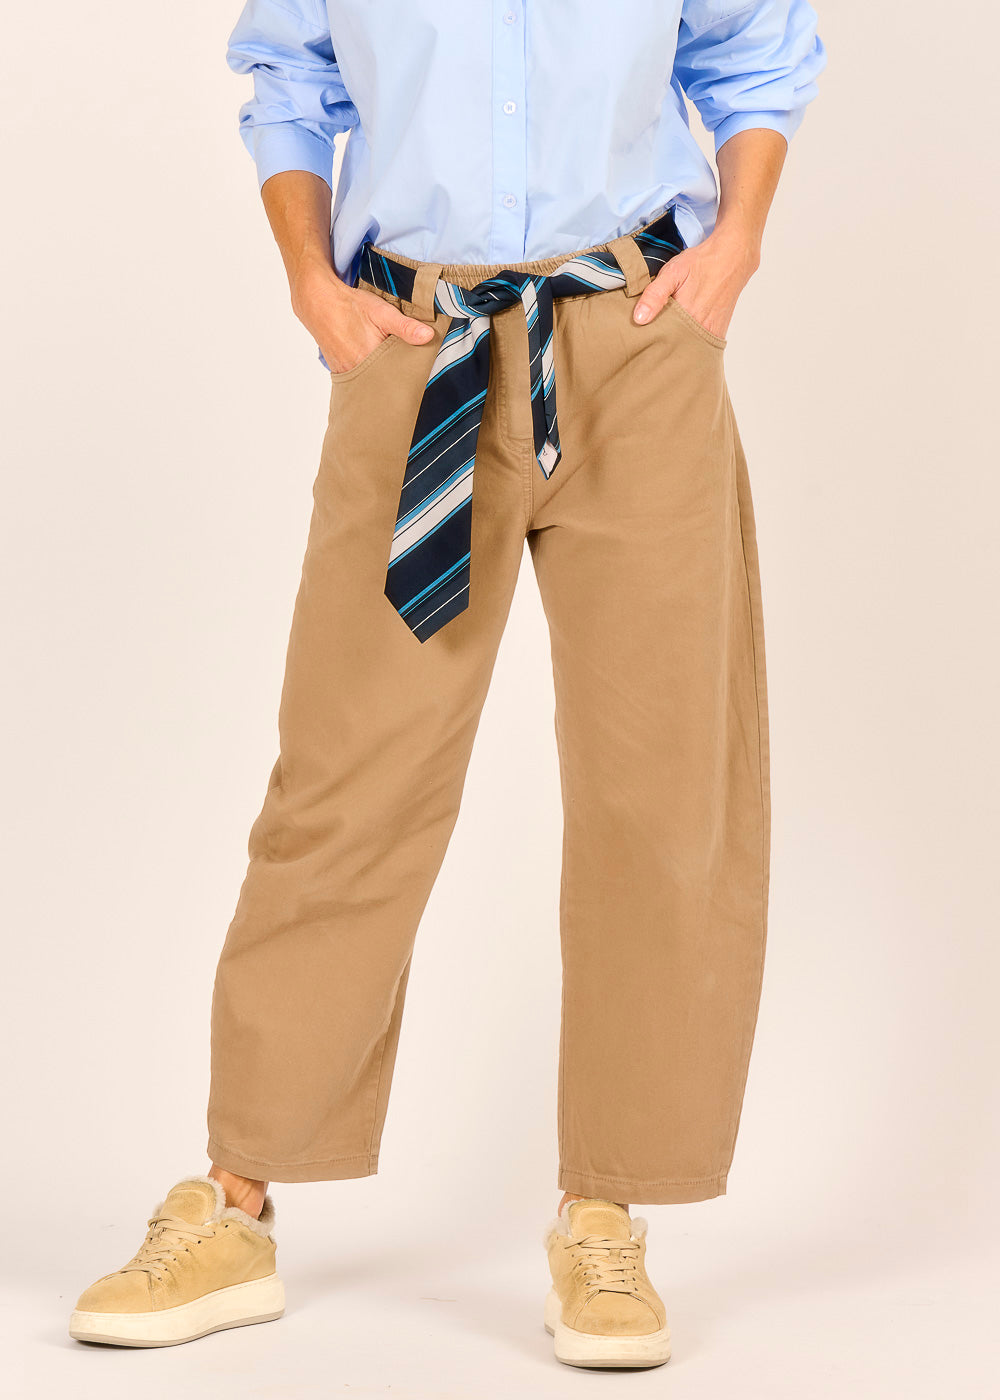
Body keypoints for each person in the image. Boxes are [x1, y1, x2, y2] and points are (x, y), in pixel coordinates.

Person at [70, 0, 825, 1369]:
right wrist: (311, 282)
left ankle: (607, 1211)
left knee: (661, 790)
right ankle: (235, 1201)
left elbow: (756, 52)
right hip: (416, 351)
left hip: (638, 342)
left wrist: (739, 244)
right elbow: (288, 73)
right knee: (346, 780)